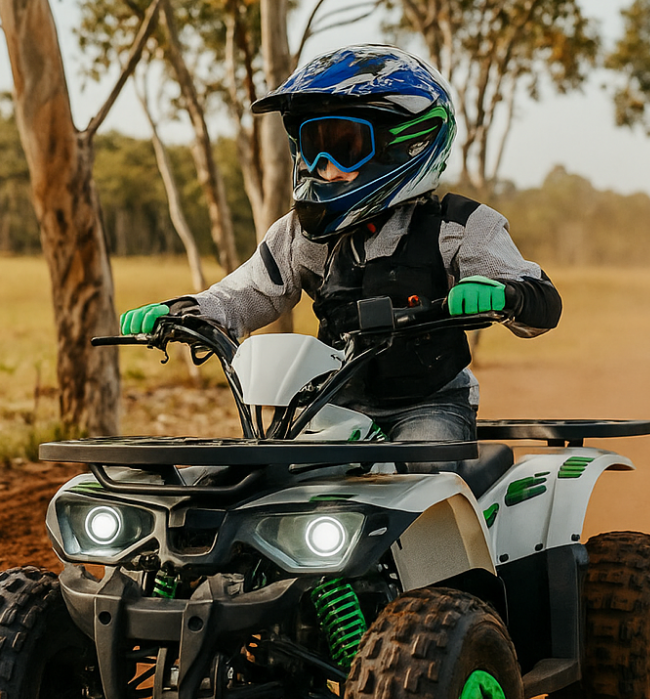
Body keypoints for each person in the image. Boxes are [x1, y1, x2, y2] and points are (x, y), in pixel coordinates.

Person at [119, 45, 561, 468]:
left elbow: (540, 303)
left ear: (409, 143)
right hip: (330, 404)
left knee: (423, 482)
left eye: (344, 146)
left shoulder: (459, 225)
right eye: (314, 147)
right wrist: (186, 311)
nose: (325, 166)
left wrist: (503, 294)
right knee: (268, 483)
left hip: (428, 404)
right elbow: (248, 292)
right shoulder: (299, 234)